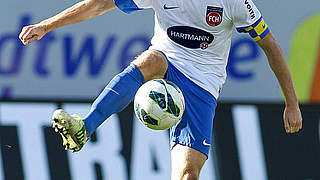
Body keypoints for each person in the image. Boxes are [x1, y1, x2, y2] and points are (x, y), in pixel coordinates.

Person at [19, 0, 303, 179]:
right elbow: (100, 4)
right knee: (151, 59)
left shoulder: (236, 3)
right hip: (167, 59)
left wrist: (291, 103)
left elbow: (270, 45)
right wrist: (47, 25)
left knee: (187, 175)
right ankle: (85, 127)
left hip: (203, 84)